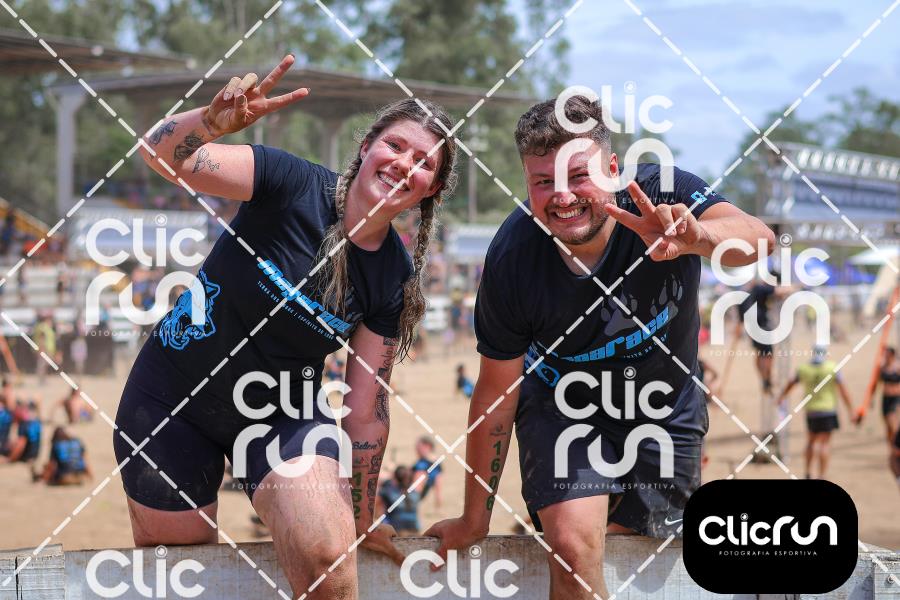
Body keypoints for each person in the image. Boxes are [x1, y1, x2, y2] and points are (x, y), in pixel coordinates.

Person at [114, 55, 457, 599]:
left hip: (281, 412)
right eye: (395, 146)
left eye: (423, 163)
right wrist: (209, 123)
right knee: (180, 578)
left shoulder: (394, 278)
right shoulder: (291, 181)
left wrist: (361, 511)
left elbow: (366, 408)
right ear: (366, 147)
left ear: (431, 190)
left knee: (327, 559)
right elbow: (159, 153)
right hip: (169, 399)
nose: (403, 165)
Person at [425, 95, 773, 599]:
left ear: (613, 169)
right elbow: (496, 395)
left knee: (644, 555)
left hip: (664, 406)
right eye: (543, 182)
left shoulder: (661, 192)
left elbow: (758, 237)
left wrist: (697, 237)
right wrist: (474, 519)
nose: (562, 197)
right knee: (571, 549)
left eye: (578, 175)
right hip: (564, 405)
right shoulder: (512, 258)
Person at [777, 346, 857, 480]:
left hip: (812, 410)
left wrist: (782, 397)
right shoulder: (832, 367)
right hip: (828, 410)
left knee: (811, 441)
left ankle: (808, 472)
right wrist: (851, 410)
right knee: (825, 444)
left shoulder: (804, 368)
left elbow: (791, 383)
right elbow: (843, 391)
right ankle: (822, 475)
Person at [378, 465, 421, 535]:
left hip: (396, 528)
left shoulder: (388, 493)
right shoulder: (416, 494)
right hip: (414, 527)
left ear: (395, 479)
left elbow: (378, 508)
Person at [412, 435, 443, 509]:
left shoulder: (422, 465)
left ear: (427, 446)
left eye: (418, 447)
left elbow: (416, 488)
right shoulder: (436, 464)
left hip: (410, 496)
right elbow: (438, 487)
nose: (416, 450)